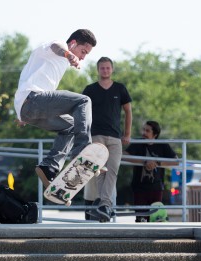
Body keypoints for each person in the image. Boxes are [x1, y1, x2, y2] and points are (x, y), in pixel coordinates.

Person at [13, 29, 97, 187]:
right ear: (73, 44)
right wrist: (69, 55)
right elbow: (56, 46)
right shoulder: (56, 46)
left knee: (71, 125)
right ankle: (82, 153)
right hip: (33, 99)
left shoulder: (58, 63)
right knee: (84, 101)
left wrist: (22, 114)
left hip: (30, 108)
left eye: (86, 54)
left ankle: (49, 166)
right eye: (83, 51)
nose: (83, 57)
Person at [82, 57, 132, 222]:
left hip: (115, 137)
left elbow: (128, 111)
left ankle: (102, 204)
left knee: (112, 171)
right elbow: (82, 113)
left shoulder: (120, 88)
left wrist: (127, 133)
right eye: (102, 68)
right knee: (100, 172)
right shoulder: (90, 89)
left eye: (108, 68)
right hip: (96, 135)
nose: (105, 70)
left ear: (112, 69)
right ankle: (105, 205)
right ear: (98, 70)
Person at [123, 121, 178, 222]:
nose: (144, 133)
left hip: (156, 187)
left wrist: (157, 162)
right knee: (141, 219)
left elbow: (176, 161)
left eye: (147, 131)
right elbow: (124, 156)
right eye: (143, 130)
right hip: (139, 187)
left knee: (156, 219)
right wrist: (144, 161)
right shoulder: (137, 143)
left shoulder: (163, 145)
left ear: (155, 134)